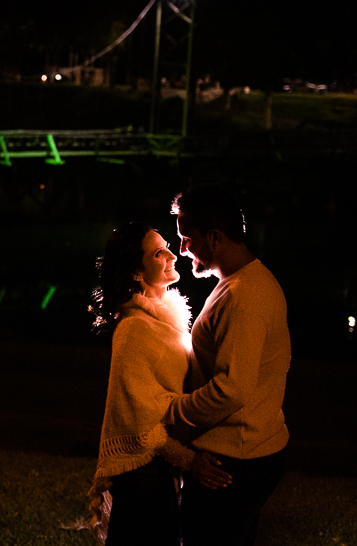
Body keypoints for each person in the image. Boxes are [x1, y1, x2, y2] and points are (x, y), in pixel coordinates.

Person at [88, 222, 233, 546]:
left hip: (156, 469)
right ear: (137, 273)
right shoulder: (134, 330)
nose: (172, 254)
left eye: (167, 245)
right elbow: (139, 418)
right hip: (142, 471)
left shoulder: (164, 325)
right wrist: (188, 460)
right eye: (158, 252)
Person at [164, 185, 291, 546]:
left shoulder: (244, 298)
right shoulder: (239, 282)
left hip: (233, 459)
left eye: (188, 239)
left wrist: (172, 410)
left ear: (215, 238)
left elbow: (232, 388)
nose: (182, 249)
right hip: (246, 450)